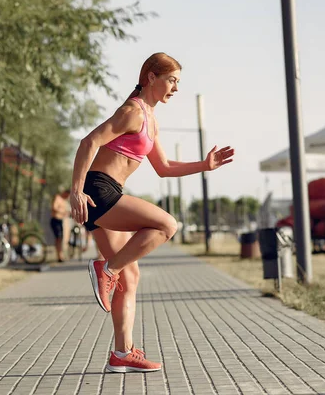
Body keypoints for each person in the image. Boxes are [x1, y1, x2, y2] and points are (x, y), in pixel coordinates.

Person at [70, 52, 234, 373]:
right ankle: (106, 269)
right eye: (171, 80)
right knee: (166, 224)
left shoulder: (151, 118)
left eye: (177, 82)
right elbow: (89, 142)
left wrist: (205, 164)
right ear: (151, 78)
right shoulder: (132, 112)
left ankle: (122, 353)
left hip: (109, 192)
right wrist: (76, 190)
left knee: (130, 277)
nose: (175, 88)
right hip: (98, 191)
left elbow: (165, 167)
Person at [50, 188, 70, 263]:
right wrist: (63, 211)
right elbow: (54, 207)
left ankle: (60, 255)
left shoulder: (64, 200)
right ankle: (59, 255)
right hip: (55, 220)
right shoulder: (57, 198)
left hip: (61, 221)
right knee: (58, 238)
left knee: (61, 238)